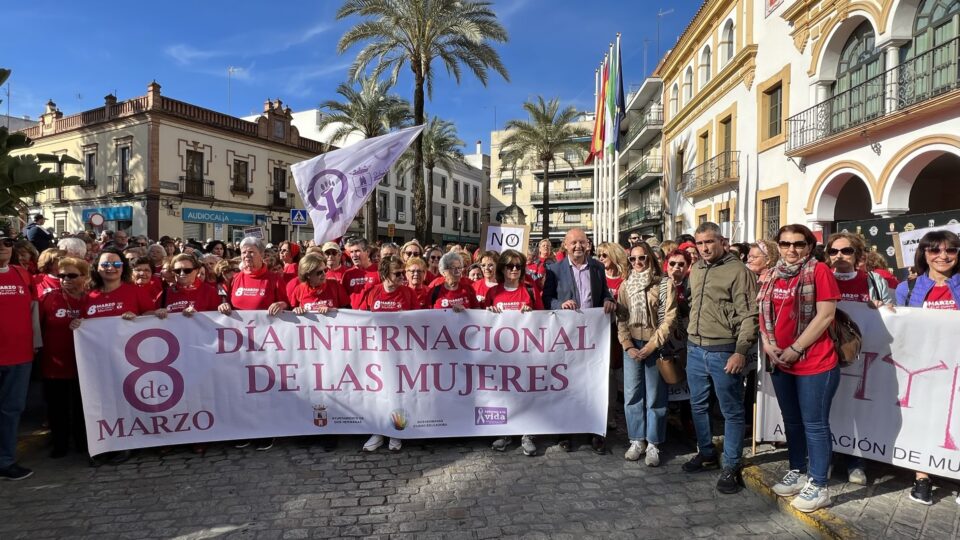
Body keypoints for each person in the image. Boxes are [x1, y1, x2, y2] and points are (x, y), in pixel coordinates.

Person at [758, 224, 841, 513]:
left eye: (798, 244)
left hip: (814, 362)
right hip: (780, 361)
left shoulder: (819, 271)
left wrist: (795, 348)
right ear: (778, 246)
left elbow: (826, 315)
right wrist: (768, 345)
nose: (791, 249)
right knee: (792, 421)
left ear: (809, 246)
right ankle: (798, 470)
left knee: (815, 424)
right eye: (785, 244)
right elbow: (763, 314)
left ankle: (819, 485)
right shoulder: (772, 274)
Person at [682, 222, 757, 495]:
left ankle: (731, 464)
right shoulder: (696, 269)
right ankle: (706, 452)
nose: (704, 248)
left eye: (709, 242)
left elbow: (749, 315)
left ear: (722, 242)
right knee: (698, 405)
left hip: (724, 350)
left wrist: (740, 351)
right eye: (700, 243)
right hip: (695, 348)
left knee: (731, 411)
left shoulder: (739, 272)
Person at [72, 249, 158, 465]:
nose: (110, 268)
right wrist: (76, 324)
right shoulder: (90, 296)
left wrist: (137, 319)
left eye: (116, 264)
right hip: (97, 363)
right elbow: (83, 324)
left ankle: (125, 443)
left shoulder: (134, 291)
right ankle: (102, 444)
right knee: (100, 403)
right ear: (97, 268)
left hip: (128, 362)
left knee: (124, 402)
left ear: (123, 267)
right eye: (105, 264)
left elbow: (153, 316)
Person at [895, 229, 960, 505]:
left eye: (950, 250)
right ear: (924, 254)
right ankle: (922, 477)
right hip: (924, 368)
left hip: (957, 368)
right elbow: (900, 327)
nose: (943, 256)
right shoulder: (906, 289)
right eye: (934, 250)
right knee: (922, 420)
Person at [542, 228, 617, 453]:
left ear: (588, 245)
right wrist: (560, 305)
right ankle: (565, 432)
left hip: (593, 337)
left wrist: (608, 300)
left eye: (582, 242)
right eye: (573, 242)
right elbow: (547, 299)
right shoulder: (554, 269)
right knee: (567, 383)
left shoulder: (597, 267)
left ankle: (595, 431)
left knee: (593, 383)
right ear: (565, 245)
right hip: (566, 337)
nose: (578, 246)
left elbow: (605, 293)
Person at [218, 237, 289, 452]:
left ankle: (266, 430)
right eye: (243, 252)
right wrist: (224, 306)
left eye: (251, 252)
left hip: (267, 346)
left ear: (261, 254)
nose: (246, 256)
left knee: (264, 389)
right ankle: (244, 429)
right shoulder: (235, 279)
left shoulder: (274, 279)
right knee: (242, 389)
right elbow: (227, 303)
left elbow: (288, 303)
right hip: (241, 346)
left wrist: (281, 304)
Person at [617, 242, 676, 467]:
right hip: (633, 344)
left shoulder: (663, 284)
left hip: (655, 345)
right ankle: (636, 440)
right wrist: (627, 345)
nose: (637, 262)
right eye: (633, 259)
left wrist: (652, 345)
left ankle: (653, 442)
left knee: (655, 396)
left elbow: (669, 318)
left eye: (642, 258)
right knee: (632, 394)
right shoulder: (625, 285)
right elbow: (621, 318)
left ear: (650, 258)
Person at [485, 249, 544, 455]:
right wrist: (489, 313)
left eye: (518, 266)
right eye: (510, 265)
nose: (515, 269)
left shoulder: (529, 290)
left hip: (526, 353)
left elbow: (544, 318)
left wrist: (532, 314)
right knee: (503, 395)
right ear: (502, 268)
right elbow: (482, 322)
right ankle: (505, 432)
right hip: (500, 354)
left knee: (526, 393)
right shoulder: (493, 293)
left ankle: (527, 434)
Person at [358, 256, 417, 452]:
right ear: (385, 274)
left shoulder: (408, 293)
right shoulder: (373, 292)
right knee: (378, 393)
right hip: (376, 354)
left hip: (400, 353)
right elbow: (359, 318)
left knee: (398, 392)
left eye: (402, 273)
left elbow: (419, 320)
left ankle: (395, 431)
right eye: (397, 274)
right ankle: (378, 431)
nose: (402, 277)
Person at [0, 235, 41, 480]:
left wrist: (36, 344)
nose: (2, 247)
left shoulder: (22, 274)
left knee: (12, 410)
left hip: (20, 356)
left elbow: (33, 310)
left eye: (6, 243)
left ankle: (5, 461)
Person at [39, 257, 88, 459]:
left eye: (72, 275)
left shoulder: (93, 297)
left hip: (85, 365)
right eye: (62, 275)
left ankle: (83, 442)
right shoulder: (49, 298)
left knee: (81, 406)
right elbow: (37, 327)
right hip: (54, 364)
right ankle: (60, 443)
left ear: (85, 277)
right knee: (57, 407)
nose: (65, 279)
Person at [156, 253, 222, 315]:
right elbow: (152, 316)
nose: (182, 273)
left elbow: (218, 318)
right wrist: (157, 313)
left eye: (187, 270)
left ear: (196, 271)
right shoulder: (165, 293)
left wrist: (198, 315)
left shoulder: (210, 292)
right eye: (177, 271)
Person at [342, 238, 380, 306]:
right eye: (351, 252)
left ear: (367, 252)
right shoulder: (347, 274)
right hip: (353, 312)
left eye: (357, 251)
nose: (354, 255)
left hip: (373, 312)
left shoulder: (379, 271)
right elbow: (343, 299)